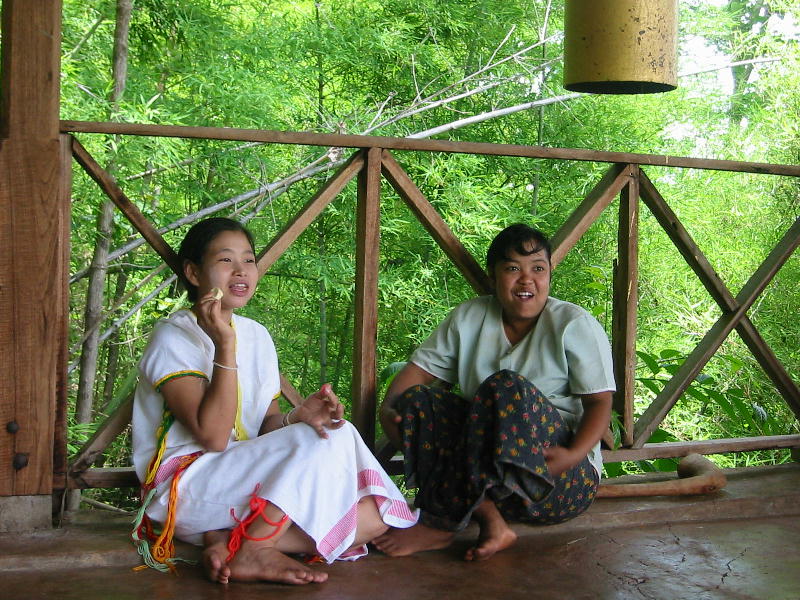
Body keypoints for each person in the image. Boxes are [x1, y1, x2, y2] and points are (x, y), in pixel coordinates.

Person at [131, 217, 417, 585]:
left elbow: (266, 428)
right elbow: (214, 437)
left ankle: (235, 543)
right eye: (225, 260)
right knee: (336, 441)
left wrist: (298, 416)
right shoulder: (174, 336)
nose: (241, 271)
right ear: (193, 271)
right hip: (187, 488)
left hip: (248, 481)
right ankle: (251, 547)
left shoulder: (258, 336)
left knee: (375, 514)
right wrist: (225, 346)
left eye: (248, 260)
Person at [374, 223, 615, 561]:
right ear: (493, 276)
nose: (527, 279)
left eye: (538, 269)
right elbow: (417, 374)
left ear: (549, 274)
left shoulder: (573, 323)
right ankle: (491, 520)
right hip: (484, 480)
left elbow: (600, 401)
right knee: (416, 400)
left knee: (506, 385)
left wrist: (574, 454)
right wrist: (389, 409)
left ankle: (442, 523)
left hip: (554, 480)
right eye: (513, 268)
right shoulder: (470, 316)